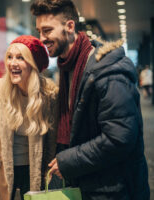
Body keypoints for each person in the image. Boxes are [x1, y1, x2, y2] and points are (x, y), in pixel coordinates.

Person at [31, 0, 150, 199]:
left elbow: (119, 138)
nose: (41, 38)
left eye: (47, 30)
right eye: (39, 31)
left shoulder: (107, 70)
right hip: (86, 184)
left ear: (69, 26)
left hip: (113, 189)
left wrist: (68, 161)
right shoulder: (67, 67)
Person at [0, 35, 58, 200]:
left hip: (35, 173)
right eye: (10, 57)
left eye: (20, 58)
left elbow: (52, 139)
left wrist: (50, 174)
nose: (12, 63)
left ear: (33, 64)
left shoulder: (49, 94)